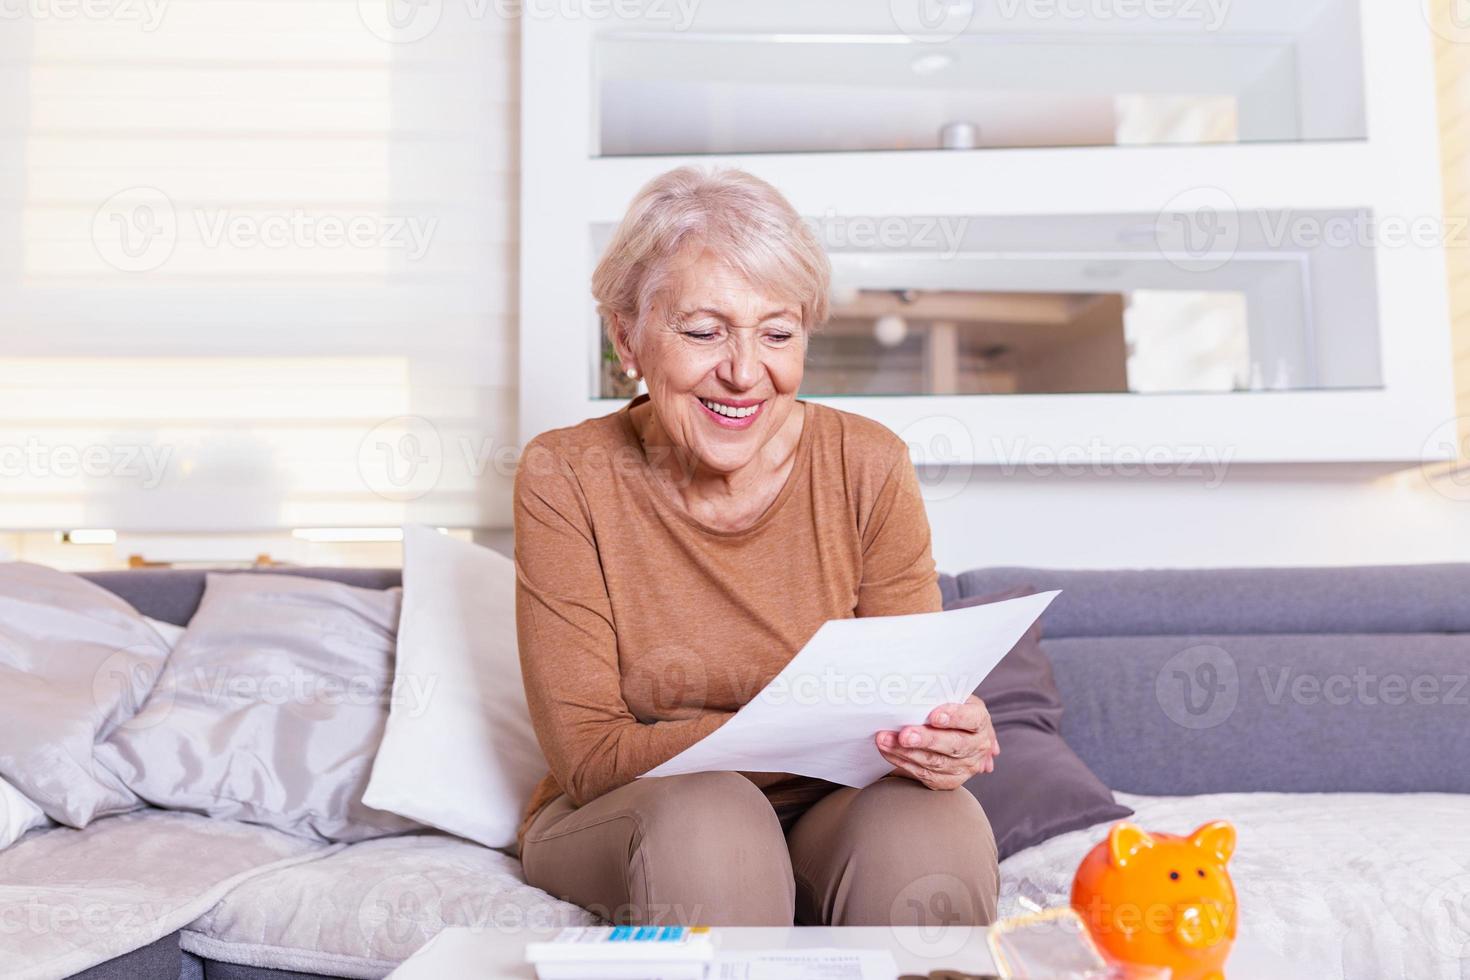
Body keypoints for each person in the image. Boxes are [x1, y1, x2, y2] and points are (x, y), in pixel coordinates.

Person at [513, 165, 999, 928]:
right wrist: (807, 723)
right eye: (704, 332)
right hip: (634, 810)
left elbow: (907, 701)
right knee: (716, 821)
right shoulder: (566, 473)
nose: (744, 373)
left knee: (932, 827)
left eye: (777, 334)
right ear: (626, 336)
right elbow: (589, 755)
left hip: (828, 811)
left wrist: (940, 739)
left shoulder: (868, 462)